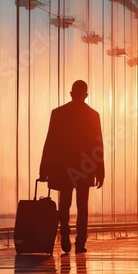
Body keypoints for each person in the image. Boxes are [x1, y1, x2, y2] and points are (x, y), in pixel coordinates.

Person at [39, 80, 104, 253]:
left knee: (64, 205)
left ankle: (65, 238)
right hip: (85, 168)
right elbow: (98, 145)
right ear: (86, 95)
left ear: (71, 94)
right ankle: (80, 243)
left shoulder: (58, 113)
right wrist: (100, 170)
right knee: (82, 207)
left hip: (63, 169)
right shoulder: (93, 115)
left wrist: (44, 170)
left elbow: (50, 142)